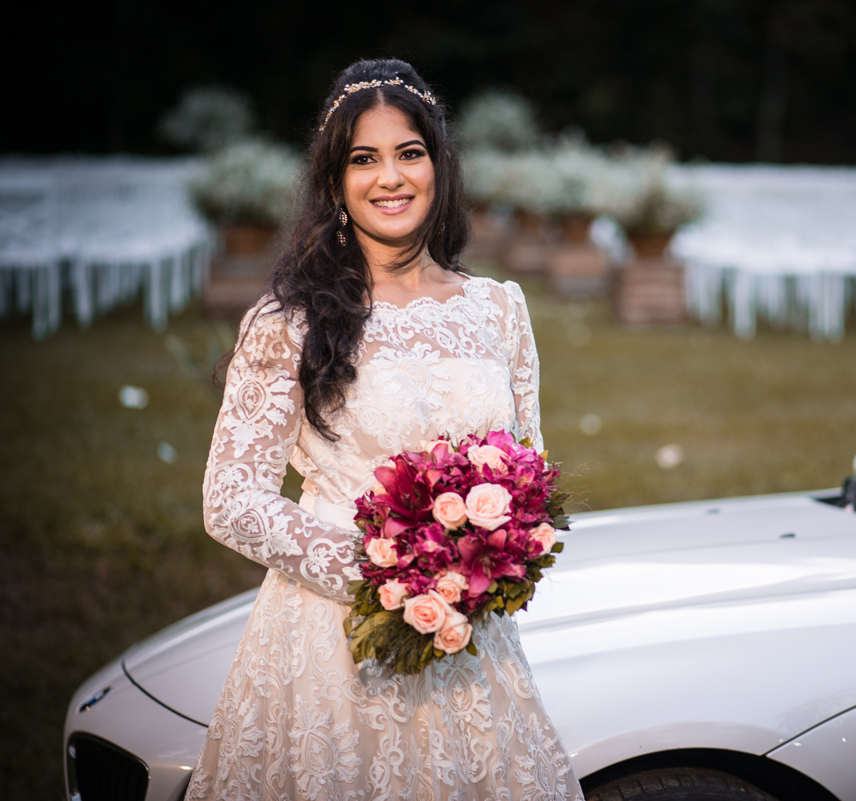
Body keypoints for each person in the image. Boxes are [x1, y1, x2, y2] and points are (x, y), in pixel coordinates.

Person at [189, 58, 584, 801]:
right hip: (337, 643)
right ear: (334, 181)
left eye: (409, 152)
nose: (390, 177)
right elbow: (232, 499)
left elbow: (529, 473)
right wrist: (390, 578)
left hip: (474, 642)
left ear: (439, 164)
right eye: (363, 159)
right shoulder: (288, 322)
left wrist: (492, 557)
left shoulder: (499, 308)